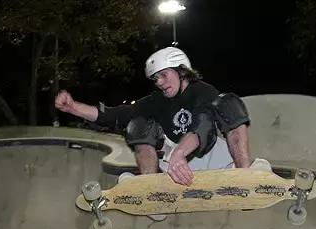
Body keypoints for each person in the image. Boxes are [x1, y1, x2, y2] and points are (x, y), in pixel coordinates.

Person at [55, 46, 264, 220]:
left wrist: (180, 152)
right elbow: (117, 115)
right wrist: (74, 108)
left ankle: (244, 175)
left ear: (181, 71)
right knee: (137, 124)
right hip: (172, 169)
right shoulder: (157, 101)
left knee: (228, 102)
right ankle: (152, 188)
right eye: (155, 79)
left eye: (164, 75)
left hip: (212, 158)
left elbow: (204, 124)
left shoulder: (202, 91)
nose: (160, 83)